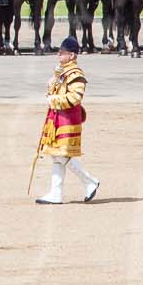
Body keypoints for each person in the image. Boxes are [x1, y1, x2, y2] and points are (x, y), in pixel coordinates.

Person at [34, 36, 100, 205]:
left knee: (62, 155)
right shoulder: (62, 72)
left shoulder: (76, 74)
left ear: (72, 55)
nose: (59, 55)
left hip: (68, 119)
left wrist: (54, 100)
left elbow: (75, 97)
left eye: (62, 53)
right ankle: (56, 193)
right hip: (58, 118)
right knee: (56, 156)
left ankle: (89, 181)